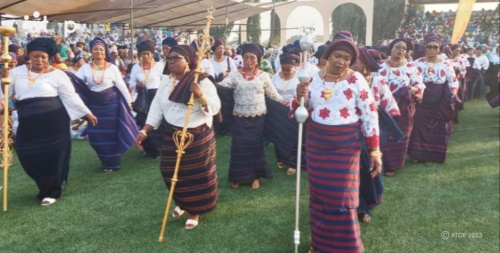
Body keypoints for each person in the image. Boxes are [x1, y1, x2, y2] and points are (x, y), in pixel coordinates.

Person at [293, 33, 381, 253]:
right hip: (317, 144)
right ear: (328, 55)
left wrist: (375, 151)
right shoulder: (311, 78)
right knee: (320, 196)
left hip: (346, 146)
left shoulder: (356, 80)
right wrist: (298, 98)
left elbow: (370, 114)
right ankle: (319, 245)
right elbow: (301, 112)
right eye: (338, 56)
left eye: (347, 59)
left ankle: (348, 248)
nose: (342, 61)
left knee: (343, 197)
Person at [1, 37, 97, 206]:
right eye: (36, 56)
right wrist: (4, 79)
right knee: (27, 154)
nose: (39, 60)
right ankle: (45, 184)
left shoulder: (58, 74)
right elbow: (8, 93)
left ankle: (51, 191)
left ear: (49, 57)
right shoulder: (16, 72)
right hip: (28, 122)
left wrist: (87, 113)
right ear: (29, 55)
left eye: (43, 57)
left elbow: (70, 96)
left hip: (54, 122)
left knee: (52, 156)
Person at [135, 45, 221, 229]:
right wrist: (145, 130)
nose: (171, 62)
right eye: (169, 59)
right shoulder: (166, 81)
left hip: (197, 135)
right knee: (169, 171)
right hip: (172, 133)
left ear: (188, 61)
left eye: (176, 58)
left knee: (195, 175)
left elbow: (215, 108)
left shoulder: (202, 81)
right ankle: (182, 202)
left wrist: (200, 96)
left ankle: (193, 211)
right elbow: (157, 107)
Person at [218, 43, 288, 189]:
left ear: (258, 60)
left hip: (258, 118)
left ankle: (255, 177)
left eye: (252, 57)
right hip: (239, 117)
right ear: (242, 58)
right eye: (246, 57)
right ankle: (236, 176)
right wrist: (208, 83)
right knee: (239, 147)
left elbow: (272, 94)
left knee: (255, 147)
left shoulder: (263, 76)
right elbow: (223, 86)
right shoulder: (235, 75)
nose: (248, 60)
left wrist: (284, 102)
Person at [351, 47, 401, 223]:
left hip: (370, 135)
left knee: (368, 172)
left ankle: (366, 206)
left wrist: (377, 120)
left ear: (365, 65)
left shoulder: (378, 82)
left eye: (355, 61)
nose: (350, 64)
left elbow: (390, 106)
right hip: (350, 135)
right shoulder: (346, 81)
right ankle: (357, 207)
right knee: (353, 173)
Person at [76, 37, 138, 172]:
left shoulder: (113, 68)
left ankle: (112, 163)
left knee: (112, 135)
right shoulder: (85, 68)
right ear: (91, 51)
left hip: (112, 106)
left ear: (105, 52)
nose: (99, 52)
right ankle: (104, 158)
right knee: (96, 136)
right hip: (95, 107)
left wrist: (129, 102)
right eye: (96, 49)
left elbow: (121, 86)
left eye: (101, 49)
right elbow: (76, 83)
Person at [376, 38, 425, 177]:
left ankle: (393, 166)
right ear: (390, 48)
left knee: (400, 135)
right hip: (382, 108)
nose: (401, 50)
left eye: (404, 48)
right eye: (398, 47)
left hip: (404, 108)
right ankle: (379, 162)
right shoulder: (379, 66)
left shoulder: (410, 67)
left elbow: (420, 85)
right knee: (382, 134)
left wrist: (412, 89)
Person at [409, 34, 459, 164]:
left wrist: (453, 93)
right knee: (419, 125)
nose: (431, 50)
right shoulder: (416, 63)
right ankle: (417, 154)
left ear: (439, 49)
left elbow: (453, 80)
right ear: (425, 48)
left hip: (439, 99)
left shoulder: (446, 63)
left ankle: (431, 156)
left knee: (436, 127)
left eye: (435, 47)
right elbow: (409, 78)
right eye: (429, 47)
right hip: (421, 99)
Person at [129, 40, 164, 158]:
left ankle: (159, 149)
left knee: (157, 122)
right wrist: (136, 85)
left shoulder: (160, 66)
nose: (145, 56)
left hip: (157, 97)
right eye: (143, 53)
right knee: (144, 122)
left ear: (152, 53)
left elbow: (164, 82)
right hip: (143, 99)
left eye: (148, 53)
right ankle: (148, 149)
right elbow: (131, 83)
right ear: (139, 54)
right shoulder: (135, 67)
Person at [270, 52, 301, 175]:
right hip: (278, 110)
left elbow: (303, 93)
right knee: (279, 135)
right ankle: (281, 159)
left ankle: (292, 163)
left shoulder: (300, 76)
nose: (286, 71)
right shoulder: (275, 77)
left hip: (294, 109)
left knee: (293, 136)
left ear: (294, 67)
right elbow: (271, 92)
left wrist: (293, 102)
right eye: (283, 69)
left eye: (288, 69)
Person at [448, 44, 469, 122]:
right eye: (456, 50)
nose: (458, 52)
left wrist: (459, 75)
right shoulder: (447, 59)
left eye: (459, 50)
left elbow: (464, 71)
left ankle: (455, 117)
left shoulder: (461, 59)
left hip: (457, 81)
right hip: (447, 82)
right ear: (451, 50)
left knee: (456, 99)